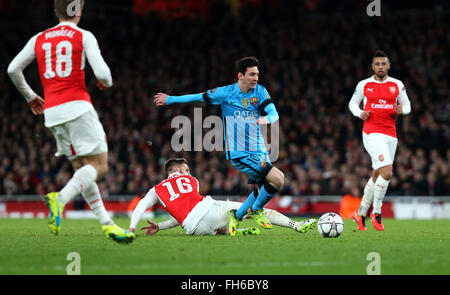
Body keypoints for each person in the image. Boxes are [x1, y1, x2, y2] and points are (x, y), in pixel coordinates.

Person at [7, 0, 134, 244]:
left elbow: (13, 69)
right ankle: (61, 199)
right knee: (100, 165)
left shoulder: (39, 38)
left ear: (56, 11)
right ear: (79, 11)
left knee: (82, 170)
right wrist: (104, 84)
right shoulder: (83, 36)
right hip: (77, 106)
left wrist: (31, 97)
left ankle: (107, 224)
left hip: (52, 112)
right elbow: (105, 76)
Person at [154, 57, 285, 236]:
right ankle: (254, 211)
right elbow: (198, 96)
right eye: (252, 74)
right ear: (240, 76)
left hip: (260, 149)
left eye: (257, 74)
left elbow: (273, 113)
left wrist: (267, 119)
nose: (256, 78)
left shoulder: (260, 92)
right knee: (277, 179)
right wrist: (170, 100)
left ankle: (237, 216)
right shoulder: (226, 93)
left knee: (262, 189)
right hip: (241, 153)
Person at [129, 158, 317, 236]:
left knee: (218, 224)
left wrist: (133, 228)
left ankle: (231, 231)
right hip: (208, 210)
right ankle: (297, 226)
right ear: (177, 170)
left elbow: (141, 206)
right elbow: (196, 207)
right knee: (257, 210)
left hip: (195, 229)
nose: (189, 172)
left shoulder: (156, 190)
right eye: (186, 169)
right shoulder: (191, 181)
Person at [348, 50, 411, 231]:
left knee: (378, 175)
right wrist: (360, 113)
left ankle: (360, 214)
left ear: (388, 66)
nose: (380, 67)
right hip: (371, 133)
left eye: (383, 64)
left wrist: (402, 110)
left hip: (390, 135)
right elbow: (353, 103)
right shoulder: (364, 85)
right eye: (377, 64)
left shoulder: (397, 85)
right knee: (388, 172)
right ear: (373, 67)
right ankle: (376, 212)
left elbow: (407, 105)